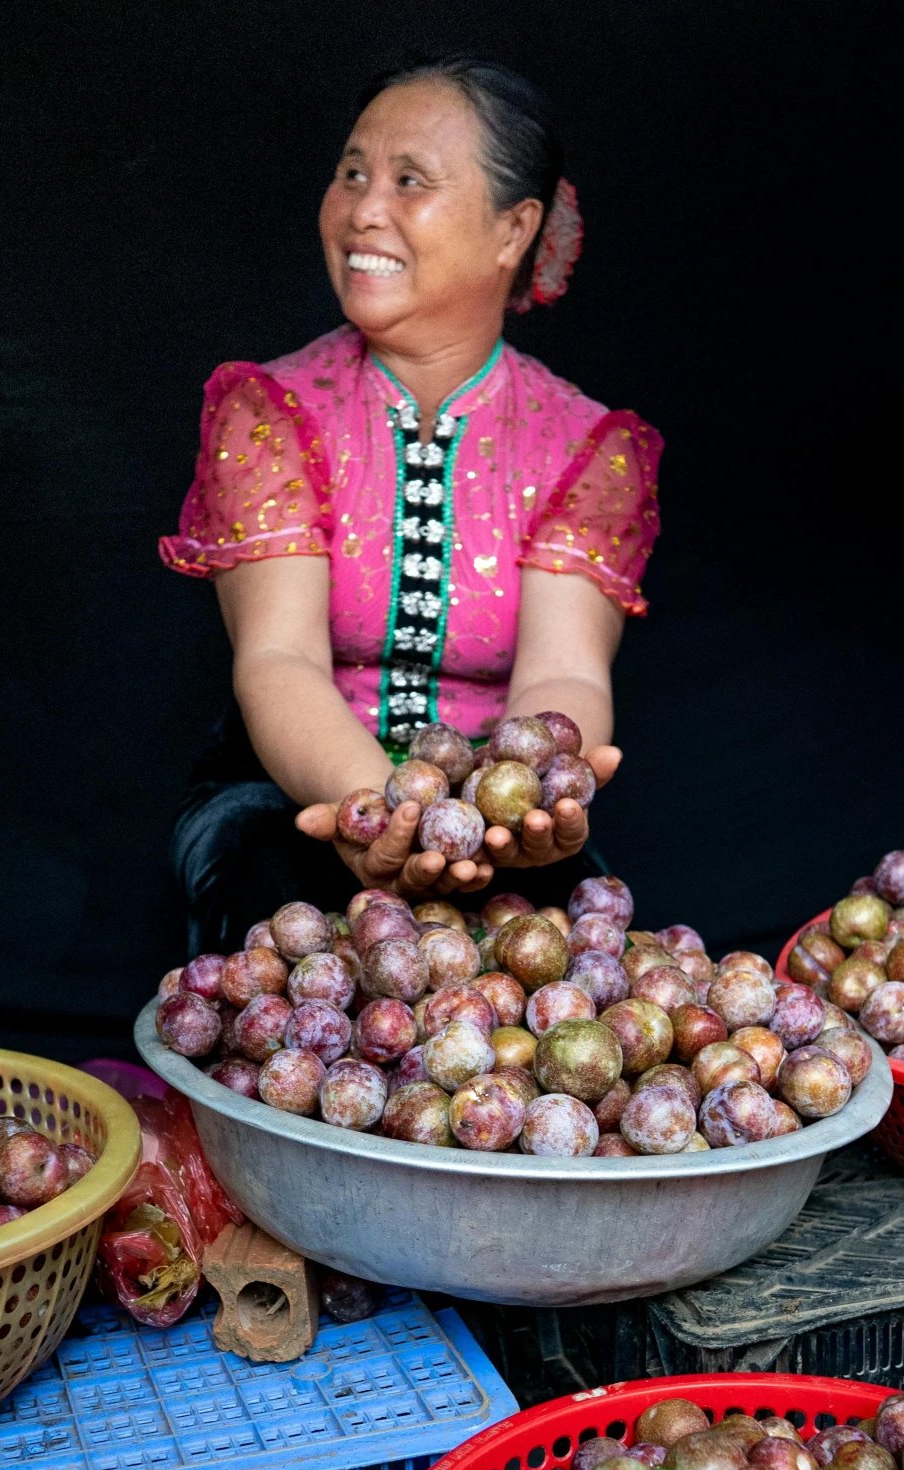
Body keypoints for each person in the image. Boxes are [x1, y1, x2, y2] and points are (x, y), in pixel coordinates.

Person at [161, 57, 661, 952]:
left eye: (409, 181)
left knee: (578, 951)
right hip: (288, 793)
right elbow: (277, 661)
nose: (363, 209)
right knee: (277, 920)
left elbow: (567, 677)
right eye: (352, 172)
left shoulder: (583, 443)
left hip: (486, 823)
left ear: (514, 230)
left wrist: (524, 794)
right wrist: (385, 819)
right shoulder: (272, 410)